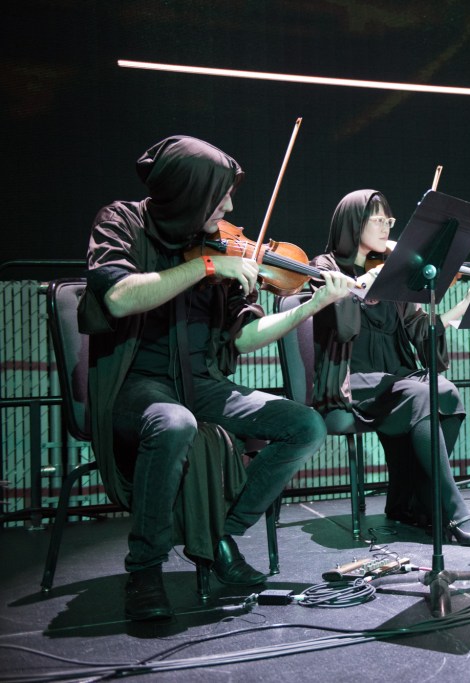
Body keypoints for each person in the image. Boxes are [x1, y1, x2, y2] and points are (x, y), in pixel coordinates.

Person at [80, 135, 352, 621]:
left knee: (306, 426)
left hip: (202, 381)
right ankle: (145, 568)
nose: (228, 206)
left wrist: (312, 303)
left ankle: (220, 533)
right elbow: (119, 297)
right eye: (219, 195)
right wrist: (207, 265)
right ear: (189, 192)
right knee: (175, 423)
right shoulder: (120, 222)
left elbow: (245, 338)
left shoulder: (224, 245)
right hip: (135, 383)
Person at [308, 189, 470, 546]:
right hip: (350, 380)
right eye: (375, 219)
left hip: (395, 379)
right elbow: (343, 329)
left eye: (387, 220)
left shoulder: (391, 274)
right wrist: (356, 289)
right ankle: (454, 511)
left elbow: (422, 332)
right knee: (422, 394)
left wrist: (464, 303)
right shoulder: (325, 269)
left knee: (447, 392)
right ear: (352, 224)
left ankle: (413, 499)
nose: (385, 226)